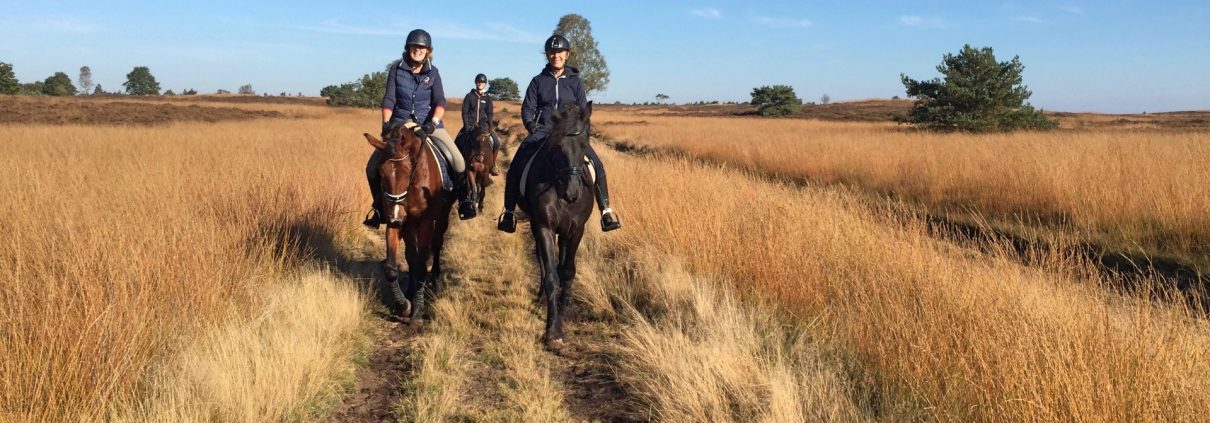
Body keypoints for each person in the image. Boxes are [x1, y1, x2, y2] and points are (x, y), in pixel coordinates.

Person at [496, 34, 621, 233]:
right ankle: (509, 212)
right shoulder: (538, 81)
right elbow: (527, 108)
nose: (556, 56)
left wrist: (579, 133)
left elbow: (582, 111)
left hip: (570, 136)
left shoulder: (575, 82)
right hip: (542, 133)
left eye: (560, 52)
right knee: (516, 164)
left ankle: (606, 211)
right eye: (552, 52)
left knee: (597, 164)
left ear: (567, 54)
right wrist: (531, 126)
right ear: (547, 55)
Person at [364, 29, 477, 229]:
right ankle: (379, 208)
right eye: (414, 47)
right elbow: (389, 98)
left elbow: (440, 100)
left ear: (428, 51)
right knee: (372, 166)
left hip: (428, 124)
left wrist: (433, 122)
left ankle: (464, 202)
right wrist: (386, 123)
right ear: (408, 48)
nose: (418, 50)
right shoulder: (396, 70)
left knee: (458, 159)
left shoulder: (433, 72)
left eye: (422, 48)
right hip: (399, 124)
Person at [461, 73, 499, 175]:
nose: (480, 84)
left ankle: (493, 165)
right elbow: (464, 112)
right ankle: (459, 166)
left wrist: (489, 125)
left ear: (485, 84)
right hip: (470, 126)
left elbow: (490, 113)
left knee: (496, 143)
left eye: (482, 82)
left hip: (483, 128)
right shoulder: (469, 96)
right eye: (478, 82)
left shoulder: (488, 98)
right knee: (457, 141)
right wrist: (466, 125)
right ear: (476, 83)